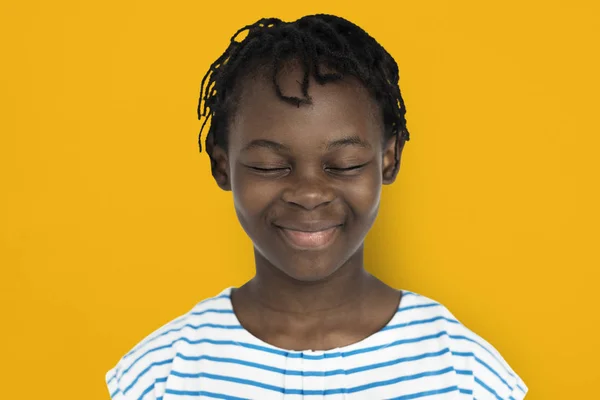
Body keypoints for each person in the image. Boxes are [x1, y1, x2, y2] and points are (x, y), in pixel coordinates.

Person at [105, 14, 528, 400]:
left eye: (344, 164)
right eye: (269, 166)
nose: (309, 193)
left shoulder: (466, 374)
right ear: (223, 166)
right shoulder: (159, 376)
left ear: (388, 159)